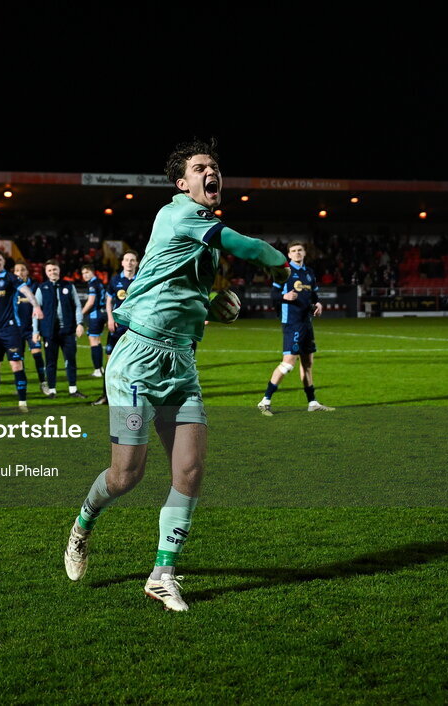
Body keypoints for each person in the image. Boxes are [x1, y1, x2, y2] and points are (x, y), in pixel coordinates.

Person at [63, 138, 291, 612]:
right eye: (200, 167)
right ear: (182, 182)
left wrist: (214, 306)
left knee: (189, 468)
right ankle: (82, 524)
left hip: (181, 362)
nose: (212, 173)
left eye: (215, 167)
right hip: (137, 364)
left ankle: (162, 574)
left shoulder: (203, 233)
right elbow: (243, 244)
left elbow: (181, 291)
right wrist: (283, 263)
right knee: (127, 476)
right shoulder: (177, 214)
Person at [257, 241, 335, 415]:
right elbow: (273, 295)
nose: (297, 253)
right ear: (289, 255)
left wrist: (318, 303)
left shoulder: (309, 273)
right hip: (291, 322)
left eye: (300, 250)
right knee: (289, 363)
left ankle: (312, 402)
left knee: (307, 364)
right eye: (293, 251)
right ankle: (265, 401)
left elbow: (314, 294)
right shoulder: (284, 272)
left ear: (304, 253)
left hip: (306, 321)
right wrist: (285, 296)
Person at [0, 250, 43, 412]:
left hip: (12, 329)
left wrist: (36, 306)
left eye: (0, 259)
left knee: (16, 364)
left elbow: (26, 290)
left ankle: (22, 403)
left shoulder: (11, 278)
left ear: (3, 262)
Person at [33, 260, 86, 398]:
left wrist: (79, 323)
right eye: (50, 270)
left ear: (59, 270)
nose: (53, 272)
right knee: (51, 362)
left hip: (67, 331)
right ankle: (52, 390)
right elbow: (37, 310)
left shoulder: (69, 286)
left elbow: (77, 306)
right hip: (50, 332)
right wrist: (35, 331)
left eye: (55, 269)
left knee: (71, 360)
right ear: (46, 272)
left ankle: (73, 389)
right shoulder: (42, 288)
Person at [92, 250, 139, 406]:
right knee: (111, 363)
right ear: (122, 263)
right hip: (117, 328)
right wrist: (110, 318)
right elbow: (109, 301)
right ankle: (106, 396)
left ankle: (130, 397)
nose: (130, 263)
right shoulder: (115, 280)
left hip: (134, 329)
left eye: (133, 260)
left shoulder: (141, 280)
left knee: (133, 364)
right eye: (127, 260)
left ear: (137, 263)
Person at [13, 262, 47, 395]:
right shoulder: (12, 287)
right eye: (17, 270)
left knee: (37, 354)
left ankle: (43, 383)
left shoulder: (35, 286)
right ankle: (21, 385)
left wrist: (37, 328)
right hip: (16, 329)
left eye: (22, 270)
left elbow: (40, 307)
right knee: (18, 359)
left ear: (27, 272)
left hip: (31, 329)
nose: (20, 273)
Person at [81, 264, 107, 378]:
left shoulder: (92, 284)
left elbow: (91, 302)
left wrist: (80, 313)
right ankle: (100, 368)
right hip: (102, 313)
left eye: (87, 272)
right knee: (98, 340)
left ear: (92, 272)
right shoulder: (99, 282)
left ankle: (97, 370)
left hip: (95, 315)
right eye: (83, 273)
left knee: (93, 341)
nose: (85, 275)